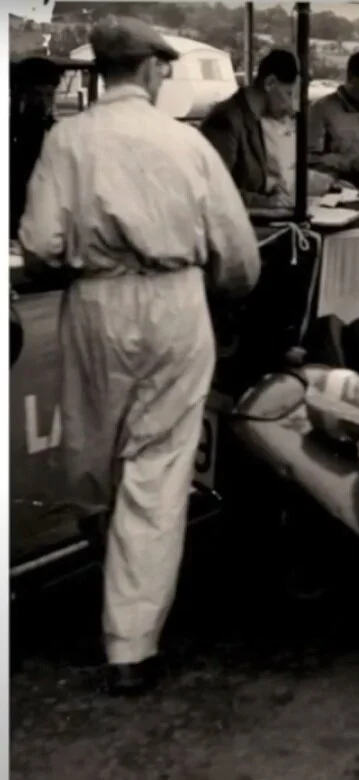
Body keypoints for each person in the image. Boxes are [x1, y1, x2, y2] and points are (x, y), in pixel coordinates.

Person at [17, 16, 261, 696]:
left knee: (95, 460)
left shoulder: (69, 138)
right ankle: (132, 644)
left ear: (100, 73)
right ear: (154, 71)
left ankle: (115, 588)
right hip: (176, 302)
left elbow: (38, 246)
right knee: (156, 470)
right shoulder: (184, 144)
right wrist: (218, 295)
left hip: (95, 304)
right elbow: (238, 256)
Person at [200, 49, 300, 207]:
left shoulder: (253, 118)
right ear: (270, 83)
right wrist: (264, 202)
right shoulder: (225, 120)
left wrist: (272, 187)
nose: (290, 106)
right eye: (288, 94)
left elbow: (249, 177)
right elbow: (215, 189)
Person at [307, 50, 359, 191]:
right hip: (331, 189)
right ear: (350, 77)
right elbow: (309, 159)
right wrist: (348, 164)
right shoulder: (321, 109)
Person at [9, 56, 63, 233]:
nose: (42, 103)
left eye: (48, 95)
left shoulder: (58, 133)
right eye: (35, 95)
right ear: (19, 93)